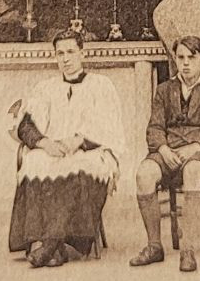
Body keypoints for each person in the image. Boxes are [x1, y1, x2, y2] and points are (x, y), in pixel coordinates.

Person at [9, 30, 126, 267]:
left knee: (80, 166)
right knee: (35, 161)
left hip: (89, 150)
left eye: (71, 52)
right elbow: (26, 124)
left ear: (82, 52)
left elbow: (110, 125)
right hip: (55, 148)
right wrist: (45, 143)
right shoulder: (46, 87)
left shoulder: (101, 85)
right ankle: (53, 248)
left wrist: (80, 141)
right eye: (60, 53)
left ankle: (51, 244)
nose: (66, 58)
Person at [130, 35, 200, 273]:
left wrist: (195, 147)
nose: (185, 63)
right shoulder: (164, 90)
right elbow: (154, 127)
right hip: (170, 150)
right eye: (181, 57)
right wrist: (164, 150)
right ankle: (154, 245)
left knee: (192, 170)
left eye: (191, 57)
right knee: (144, 174)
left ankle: (188, 249)